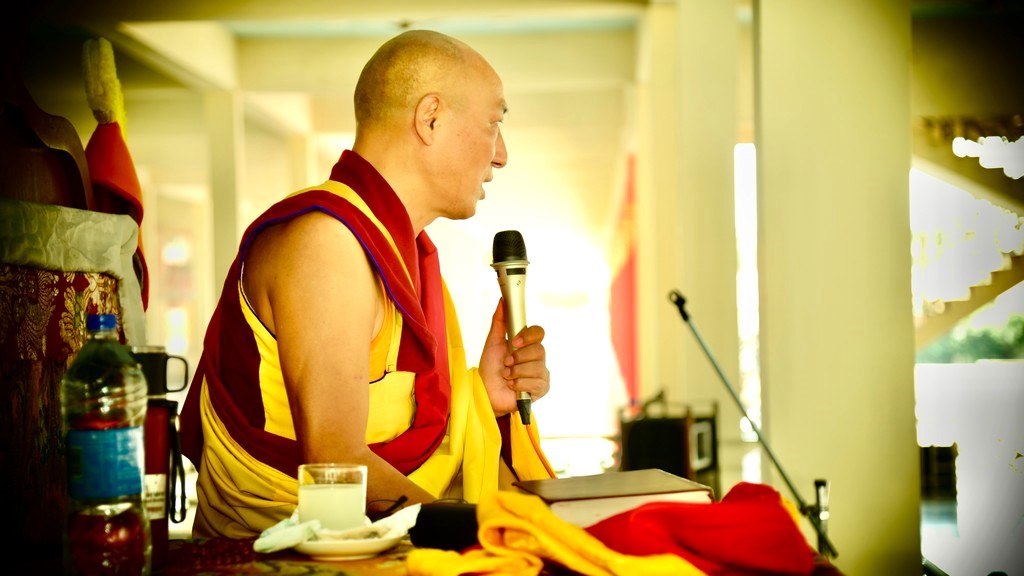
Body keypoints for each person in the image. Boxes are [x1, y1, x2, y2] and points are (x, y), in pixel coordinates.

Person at [178, 29, 556, 539]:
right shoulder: (326, 244)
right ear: (431, 118)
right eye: (494, 124)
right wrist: (487, 535)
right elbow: (338, 468)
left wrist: (485, 399)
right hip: (277, 561)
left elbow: (398, 435)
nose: (501, 155)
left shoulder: (403, 254)